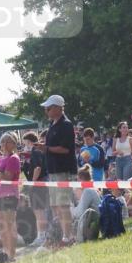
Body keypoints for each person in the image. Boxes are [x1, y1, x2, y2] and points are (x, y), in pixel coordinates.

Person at [39, 94, 77, 245]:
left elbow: (66, 149)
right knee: (55, 205)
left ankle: (69, 236)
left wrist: (46, 148)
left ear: (58, 108)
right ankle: (61, 235)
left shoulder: (66, 125)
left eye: (48, 108)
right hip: (53, 170)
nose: (46, 111)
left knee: (63, 205)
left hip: (63, 170)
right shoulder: (52, 124)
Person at [0, 132, 22, 261]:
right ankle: (5, 254)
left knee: (9, 226)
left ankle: (12, 256)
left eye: (8, 141)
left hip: (10, 195)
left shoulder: (14, 158)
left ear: (14, 144)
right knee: (2, 227)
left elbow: (8, 177)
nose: (4, 144)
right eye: (2, 141)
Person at [21, 132, 49, 246]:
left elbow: (38, 168)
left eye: (25, 143)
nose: (25, 146)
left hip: (38, 183)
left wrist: (32, 182)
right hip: (39, 183)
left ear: (29, 142)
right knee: (38, 211)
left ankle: (42, 236)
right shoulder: (34, 152)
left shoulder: (36, 151)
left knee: (39, 211)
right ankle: (41, 235)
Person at [71, 165, 101, 242]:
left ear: (80, 179)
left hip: (94, 225)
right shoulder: (90, 189)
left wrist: (70, 207)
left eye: (77, 180)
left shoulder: (88, 191)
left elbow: (79, 214)